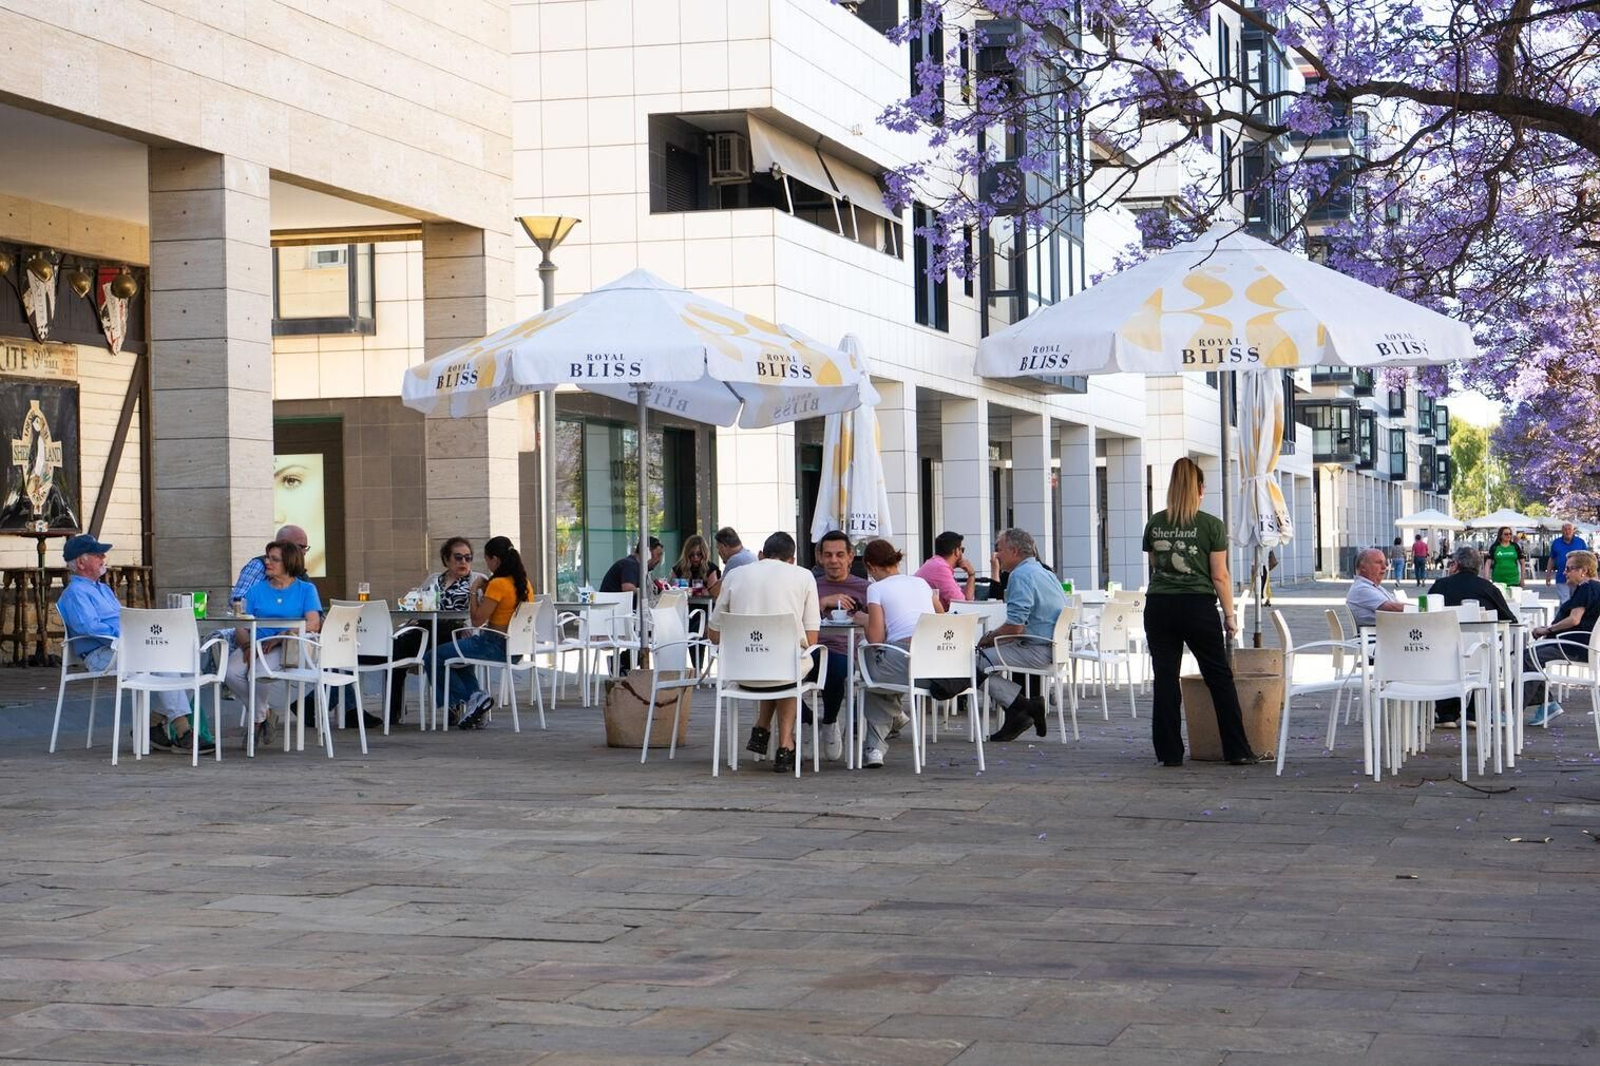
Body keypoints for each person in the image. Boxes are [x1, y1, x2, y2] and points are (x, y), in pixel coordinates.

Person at [1141, 457, 1258, 767]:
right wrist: (1230, 616)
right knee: (1218, 676)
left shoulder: (1155, 523)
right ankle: (1237, 749)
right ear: (1201, 489)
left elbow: (1156, 565)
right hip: (1197, 606)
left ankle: (1169, 753)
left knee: (1165, 679)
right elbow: (1220, 575)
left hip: (1159, 606)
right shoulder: (1211, 525)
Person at [56, 534, 211, 754]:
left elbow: (122, 620)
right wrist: (130, 635)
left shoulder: (103, 589)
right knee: (158, 657)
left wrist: (138, 633)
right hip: (102, 653)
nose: (103, 557)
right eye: (97, 554)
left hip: (127, 647)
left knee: (185, 661)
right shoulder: (75, 593)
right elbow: (90, 628)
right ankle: (183, 730)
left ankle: (153, 724)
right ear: (81, 562)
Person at [708, 530, 820, 774]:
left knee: (777, 665)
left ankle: (762, 727)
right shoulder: (803, 576)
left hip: (741, 672)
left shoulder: (735, 575)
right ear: (792, 559)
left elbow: (714, 634)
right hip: (783, 672)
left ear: (760, 555)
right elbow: (811, 639)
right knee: (788, 667)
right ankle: (785, 745)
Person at [224, 540, 323, 747]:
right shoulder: (256, 590)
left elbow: (314, 623)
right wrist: (248, 646)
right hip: (254, 643)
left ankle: (256, 725)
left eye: (274, 559)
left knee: (259, 672)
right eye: (267, 557)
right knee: (231, 672)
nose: (267, 562)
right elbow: (241, 623)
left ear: (289, 563)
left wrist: (281, 636)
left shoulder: (306, 590)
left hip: (284, 645)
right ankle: (264, 714)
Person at [377, 537, 485, 725]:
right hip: (427, 631)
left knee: (434, 648)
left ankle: (455, 704)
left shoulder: (478, 580)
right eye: (458, 557)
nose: (463, 562)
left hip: (457, 633)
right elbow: (416, 604)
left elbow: (483, 612)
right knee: (394, 651)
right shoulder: (435, 579)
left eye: (468, 558)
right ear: (446, 559)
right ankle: (393, 710)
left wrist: (470, 626)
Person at [433, 535, 534, 730]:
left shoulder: (498, 584)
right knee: (458, 658)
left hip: (493, 644)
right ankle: (475, 699)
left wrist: (473, 591)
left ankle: (472, 699)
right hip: (516, 649)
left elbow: (477, 620)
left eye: (487, 560)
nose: (487, 565)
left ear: (495, 559)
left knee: (433, 656)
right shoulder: (524, 583)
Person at [858, 538, 943, 768]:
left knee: (869, 673)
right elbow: (941, 616)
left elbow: (876, 639)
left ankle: (877, 745)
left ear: (871, 567)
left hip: (903, 660)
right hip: (935, 663)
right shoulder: (922, 584)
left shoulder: (875, 588)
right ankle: (878, 742)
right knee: (880, 674)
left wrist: (863, 619)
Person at [976, 528, 1066, 742]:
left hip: (1037, 649)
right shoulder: (1045, 573)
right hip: (1053, 648)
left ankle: (1020, 707)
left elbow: (1015, 627)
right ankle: (1021, 708)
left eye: (999, 550)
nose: (997, 555)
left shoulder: (1021, 575)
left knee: (973, 662)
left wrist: (989, 637)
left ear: (1014, 551)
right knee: (985, 656)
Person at [1427, 545, 1517, 727]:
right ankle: (1473, 713)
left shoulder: (1440, 586)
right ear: (1478, 567)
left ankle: (1446, 714)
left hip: (1444, 655)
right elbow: (1510, 620)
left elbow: (1426, 616)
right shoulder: (1487, 588)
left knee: (1445, 652)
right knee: (1489, 652)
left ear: (1456, 565)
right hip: (1479, 654)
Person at [1524, 549, 1600, 726]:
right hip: (1582, 645)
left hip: (1573, 646)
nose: (1564, 572)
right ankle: (1547, 704)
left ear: (1584, 570)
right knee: (1529, 655)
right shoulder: (1594, 588)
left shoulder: (1586, 588)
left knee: (1528, 657)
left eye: (1568, 569)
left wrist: (1547, 630)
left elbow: (1574, 619)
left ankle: (1512, 710)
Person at [812, 530, 869, 760]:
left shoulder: (865, 588)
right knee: (783, 671)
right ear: (820, 557)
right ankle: (807, 720)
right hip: (810, 649)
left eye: (839, 554)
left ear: (850, 556)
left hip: (845, 652)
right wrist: (821, 602)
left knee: (836, 666)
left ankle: (829, 721)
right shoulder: (809, 585)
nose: (833, 560)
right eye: (828, 555)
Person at [230, 524, 309, 604]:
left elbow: (312, 609)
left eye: (305, 548)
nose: (304, 552)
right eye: (300, 547)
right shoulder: (260, 566)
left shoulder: (302, 577)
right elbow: (238, 601)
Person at [914, 530, 977, 609]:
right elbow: (962, 605)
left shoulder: (936, 564)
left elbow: (967, 602)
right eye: (962, 549)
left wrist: (971, 575)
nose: (962, 553)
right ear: (956, 551)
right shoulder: (940, 568)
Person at [1347, 547, 1407, 627]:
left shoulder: (1372, 586)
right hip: (1383, 636)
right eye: (1378, 563)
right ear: (1363, 567)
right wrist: (1421, 608)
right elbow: (1392, 608)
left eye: (1385, 563)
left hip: (1390, 632)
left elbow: (1395, 604)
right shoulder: (1362, 589)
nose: (1384, 567)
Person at [1548, 522, 1588, 606]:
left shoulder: (1580, 542)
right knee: (1565, 602)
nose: (1567, 531)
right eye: (1565, 529)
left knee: (1577, 601)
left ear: (1573, 531)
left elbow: (1587, 559)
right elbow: (1552, 559)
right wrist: (1548, 575)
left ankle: (1570, 618)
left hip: (1578, 578)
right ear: (1562, 531)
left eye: (1569, 529)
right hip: (1562, 577)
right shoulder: (1556, 543)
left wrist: (1588, 575)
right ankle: (1565, 618)